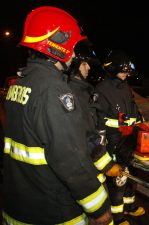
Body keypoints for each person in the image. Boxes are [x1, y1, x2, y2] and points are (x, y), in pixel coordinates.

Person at [3, 6, 113, 225]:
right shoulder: (55, 92)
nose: (73, 54)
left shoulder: (20, 84)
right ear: (57, 46)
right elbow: (70, 159)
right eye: (72, 47)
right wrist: (99, 208)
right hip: (52, 211)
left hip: (17, 206)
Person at [94, 50, 145, 225]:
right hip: (113, 141)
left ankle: (129, 206)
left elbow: (133, 109)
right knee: (119, 179)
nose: (125, 74)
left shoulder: (124, 86)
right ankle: (118, 216)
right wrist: (103, 144)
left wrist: (142, 123)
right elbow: (99, 121)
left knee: (131, 174)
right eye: (123, 71)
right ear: (112, 69)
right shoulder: (101, 90)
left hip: (129, 139)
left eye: (127, 72)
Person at [68, 41, 122, 185]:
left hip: (94, 165)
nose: (89, 67)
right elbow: (85, 136)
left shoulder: (84, 91)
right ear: (74, 66)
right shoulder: (74, 95)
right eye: (85, 64)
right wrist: (106, 165)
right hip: (87, 169)